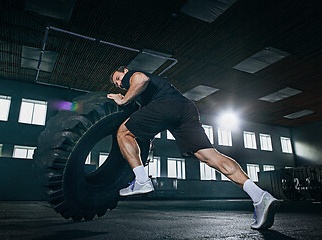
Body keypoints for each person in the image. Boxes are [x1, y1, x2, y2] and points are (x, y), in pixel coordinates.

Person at [107, 66, 280, 230]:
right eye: (117, 84)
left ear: (126, 71)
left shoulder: (134, 75)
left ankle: (142, 181)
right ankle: (259, 196)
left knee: (123, 133)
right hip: (186, 108)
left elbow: (141, 78)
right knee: (209, 156)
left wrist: (123, 99)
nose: (120, 84)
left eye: (118, 78)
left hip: (166, 105)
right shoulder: (146, 95)